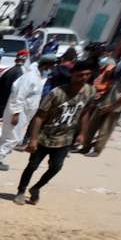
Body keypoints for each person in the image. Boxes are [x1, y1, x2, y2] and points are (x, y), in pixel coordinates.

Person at [14, 60, 95, 206]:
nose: (84, 78)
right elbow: (39, 117)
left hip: (65, 138)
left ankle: (36, 188)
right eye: (80, 75)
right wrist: (33, 139)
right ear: (72, 74)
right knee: (32, 166)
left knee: (56, 167)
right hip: (44, 137)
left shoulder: (90, 91)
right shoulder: (57, 93)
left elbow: (85, 113)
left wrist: (82, 133)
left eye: (87, 74)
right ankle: (21, 191)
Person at [80, 49, 121, 157]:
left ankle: (97, 150)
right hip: (104, 100)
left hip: (116, 104)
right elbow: (109, 81)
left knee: (106, 128)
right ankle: (85, 147)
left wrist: (112, 106)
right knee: (92, 124)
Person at [0, 55, 45, 169]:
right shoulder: (30, 77)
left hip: (23, 112)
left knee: (8, 136)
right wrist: (16, 113)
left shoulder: (35, 76)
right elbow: (19, 96)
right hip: (19, 112)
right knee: (13, 137)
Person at [0, 50, 29, 150]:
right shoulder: (24, 74)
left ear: (15, 59)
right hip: (11, 105)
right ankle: (3, 147)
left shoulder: (6, 70)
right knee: (9, 128)